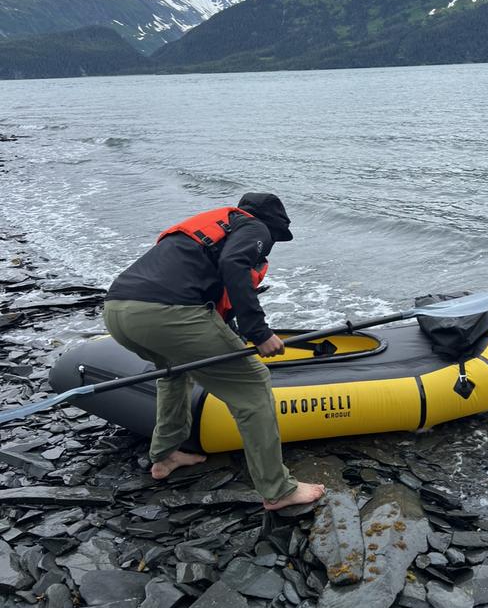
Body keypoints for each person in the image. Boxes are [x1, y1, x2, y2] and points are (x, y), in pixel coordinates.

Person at [103, 192, 325, 511]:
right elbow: (234, 264)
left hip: (118, 311)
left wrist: (233, 336)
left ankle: (165, 455)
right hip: (167, 314)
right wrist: (258, 332)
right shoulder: (255, 227)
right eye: (276, 237)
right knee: (252, 386)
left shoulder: (216, 228)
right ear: (272, 226)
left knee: (174, 373)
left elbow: (206, 295)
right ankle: (278, 490)